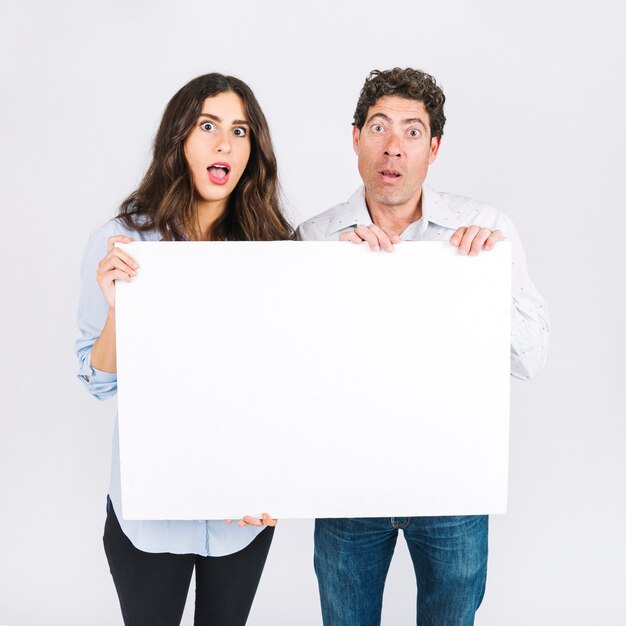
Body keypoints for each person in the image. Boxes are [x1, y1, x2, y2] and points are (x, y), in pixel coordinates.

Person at [296, 67, 550, 626]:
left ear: (433, 148)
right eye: (379, 127)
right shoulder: (314, 238)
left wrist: (482, 286)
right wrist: (324, 275)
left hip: (452, 484)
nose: (393, 147)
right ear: (356, 136)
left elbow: (530, 358)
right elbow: (290, 369)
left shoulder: (485, 228)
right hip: (347, 484)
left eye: (412, 132)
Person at [76, 73, 291, 626]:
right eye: (207, 126)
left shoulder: (275, 251)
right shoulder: (121, 243)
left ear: (252, 149)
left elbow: (289, 384)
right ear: (179, 141)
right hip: (149, 516)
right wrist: (123, 306)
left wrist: (280, 479)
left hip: (240, 517)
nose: (225, 143)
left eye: (239, 130)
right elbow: (99, 380)